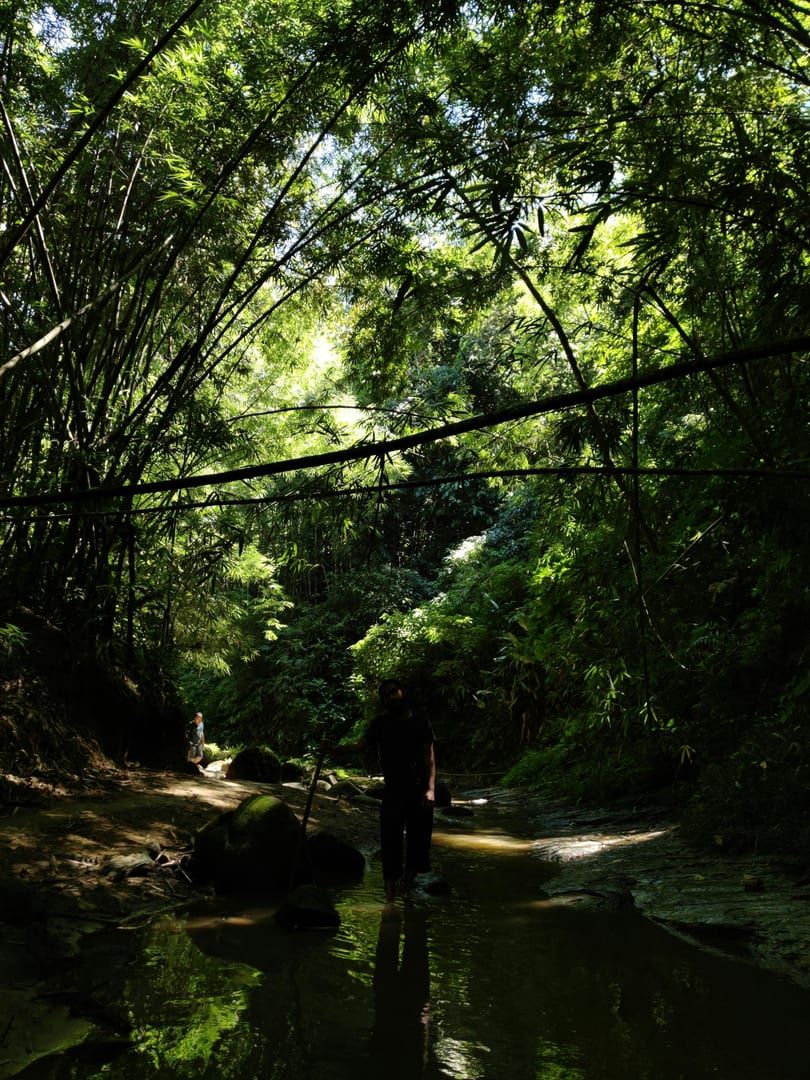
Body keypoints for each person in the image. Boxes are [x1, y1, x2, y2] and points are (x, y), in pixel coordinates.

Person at [340, 679, 436, 903]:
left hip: (418, 790)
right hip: (393, 791)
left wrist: (430, 790)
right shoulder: (380, 724)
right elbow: (359, 746)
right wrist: (334, 749)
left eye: (394, 692)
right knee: (390, 841)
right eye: (386, 695)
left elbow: (429, 759)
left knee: (419, 842)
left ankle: (408, 888)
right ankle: (390, 896)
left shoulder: (422, 722)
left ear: (402, 692)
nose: (391, 697)